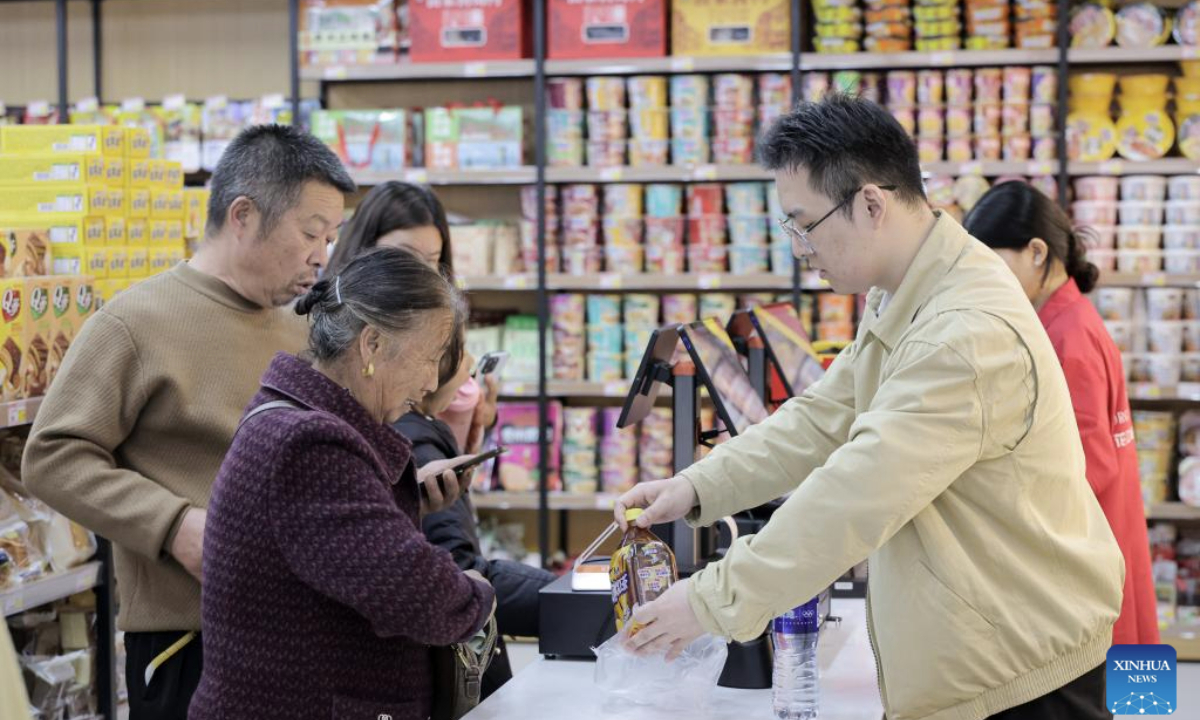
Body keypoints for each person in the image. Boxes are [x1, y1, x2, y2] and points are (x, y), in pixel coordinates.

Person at [614, 95, 1124, 720]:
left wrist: (709, 600)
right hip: (981, 654)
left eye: (803, 223)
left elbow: (856, 495)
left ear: (871, 204)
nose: (799, 247)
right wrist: (697, 486)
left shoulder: (961, 333)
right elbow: (824, 417)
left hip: (1019, 677)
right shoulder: (908, 289)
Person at [21, 125, 466, 720]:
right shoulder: (134, 322)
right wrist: (173, 525)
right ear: (243, 215)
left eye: (331, 237)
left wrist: (397, 491)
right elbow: (52, 454)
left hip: (308, 651)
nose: (321, 255)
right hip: (186, 638)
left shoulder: (305, 327)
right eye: (310, 232)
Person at [189, 247, 496, 720]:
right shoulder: (310, 446)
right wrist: (476, 592)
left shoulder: (293, 417)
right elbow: (420, 596)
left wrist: (401, 497)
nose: (431, 380)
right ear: (372, 344)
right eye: (430, 357)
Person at [964, 180, 1159, 647]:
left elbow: (1089, 463)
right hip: (1109, 531)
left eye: (993, 263)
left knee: (1110, 672)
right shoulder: (1066, 318)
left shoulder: (1067, 336)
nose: (984, 278)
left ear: (1036, 252)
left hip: (1089, 545)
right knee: (1130, 667)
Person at [396, 334, 557, 698]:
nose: (475, 389)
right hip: (455, 664)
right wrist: (558, 594)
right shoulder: (421, 447)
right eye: (468, 376)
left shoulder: (421, 433)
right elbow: (460, 566)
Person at [328, 180, 499, 453]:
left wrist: (481, 420)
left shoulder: (442, 324)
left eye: (431, 260)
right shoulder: (335, 326)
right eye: (404, 256)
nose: (418, 272)